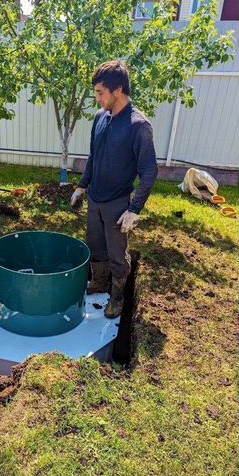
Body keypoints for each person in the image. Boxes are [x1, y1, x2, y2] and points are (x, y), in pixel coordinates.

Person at [71, 60, 157, 318]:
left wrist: (134, 209)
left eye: (100, 92)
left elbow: (150, 171)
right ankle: (98, 282)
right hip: (95, 200)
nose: (97, 98)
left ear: (117, 89)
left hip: (118, 205)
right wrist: (81, 187)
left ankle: (117, 298)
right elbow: (93, 156)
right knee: (95, 246)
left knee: (118, 255)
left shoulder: (138, 126)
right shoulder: (100, 118)